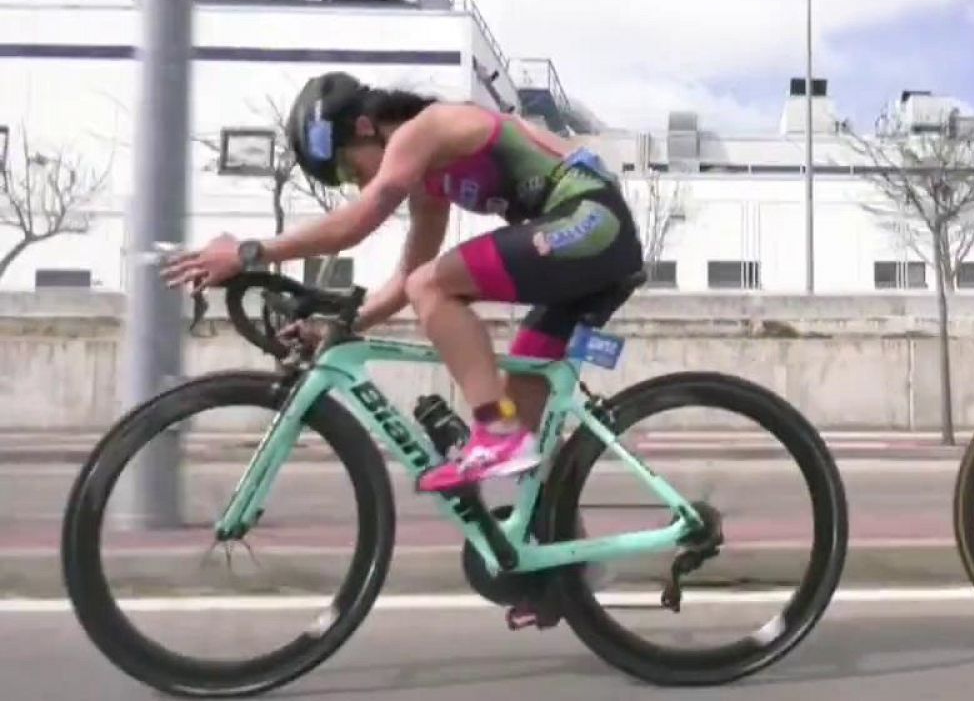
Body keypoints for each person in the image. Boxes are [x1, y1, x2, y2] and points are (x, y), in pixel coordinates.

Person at [161, 71, 645, 494]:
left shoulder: (426, 128)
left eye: (351, 168)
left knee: (441, 301)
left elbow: (359, 226)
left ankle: (494, 432)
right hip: (585, 246)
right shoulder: (431, 180)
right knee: (527, 428)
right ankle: (560, 576)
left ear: (368, 127)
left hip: (591, 221)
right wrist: (344, 324)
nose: (356, 183)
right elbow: (409, 277)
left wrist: (250, 251)